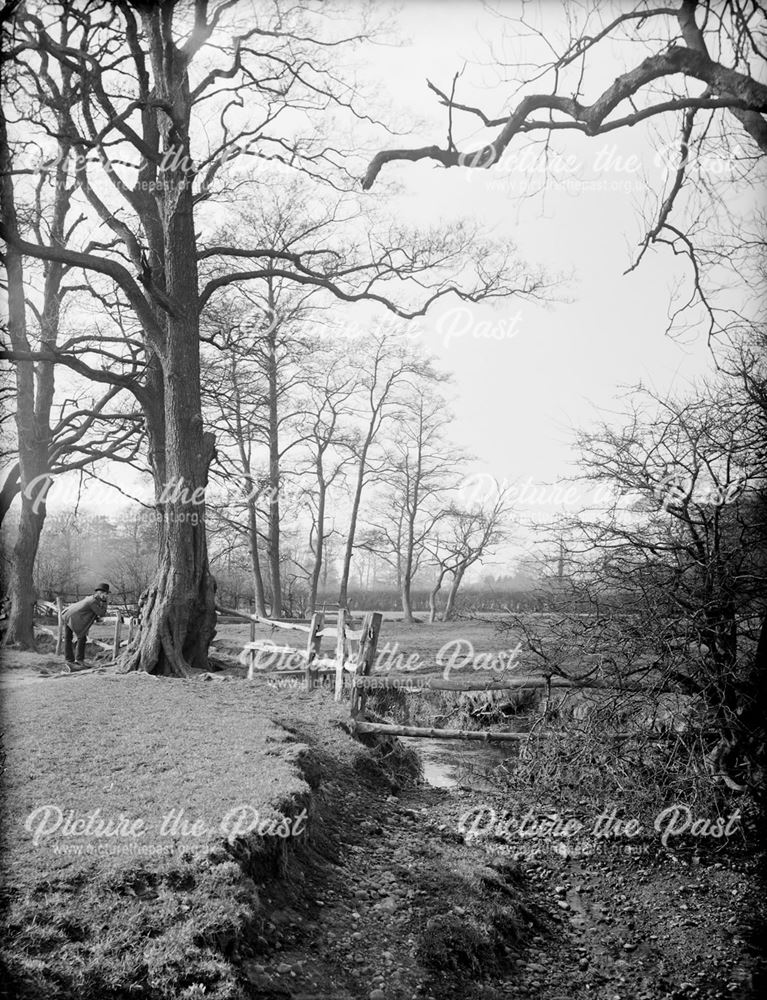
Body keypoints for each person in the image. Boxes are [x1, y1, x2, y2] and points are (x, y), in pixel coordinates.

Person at [62, 584, 110, 671]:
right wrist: (105, 602)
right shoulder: (93, 601)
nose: (107, 596)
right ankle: (78, 660)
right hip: (72, 617)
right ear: (101, 593)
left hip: (68, 615)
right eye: (106, 594)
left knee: (69, 638)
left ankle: (70, 660)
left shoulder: (91, 598)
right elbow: (101, 613)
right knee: (81, 637)